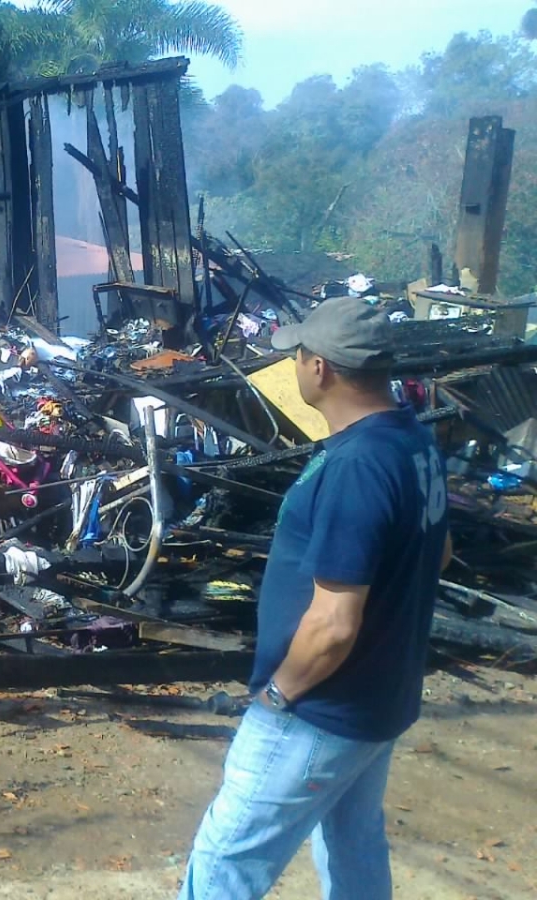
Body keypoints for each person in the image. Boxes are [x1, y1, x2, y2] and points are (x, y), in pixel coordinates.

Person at [178, 296, 453, 900]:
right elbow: (441, 553)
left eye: (299, 355)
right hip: (376, 700)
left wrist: (279, 695)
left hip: (318, 710)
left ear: (320, 368)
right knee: (352, 846)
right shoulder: (412, 441)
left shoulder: (357, 465)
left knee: (226, 861)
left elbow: (332, 625)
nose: (296, 365)